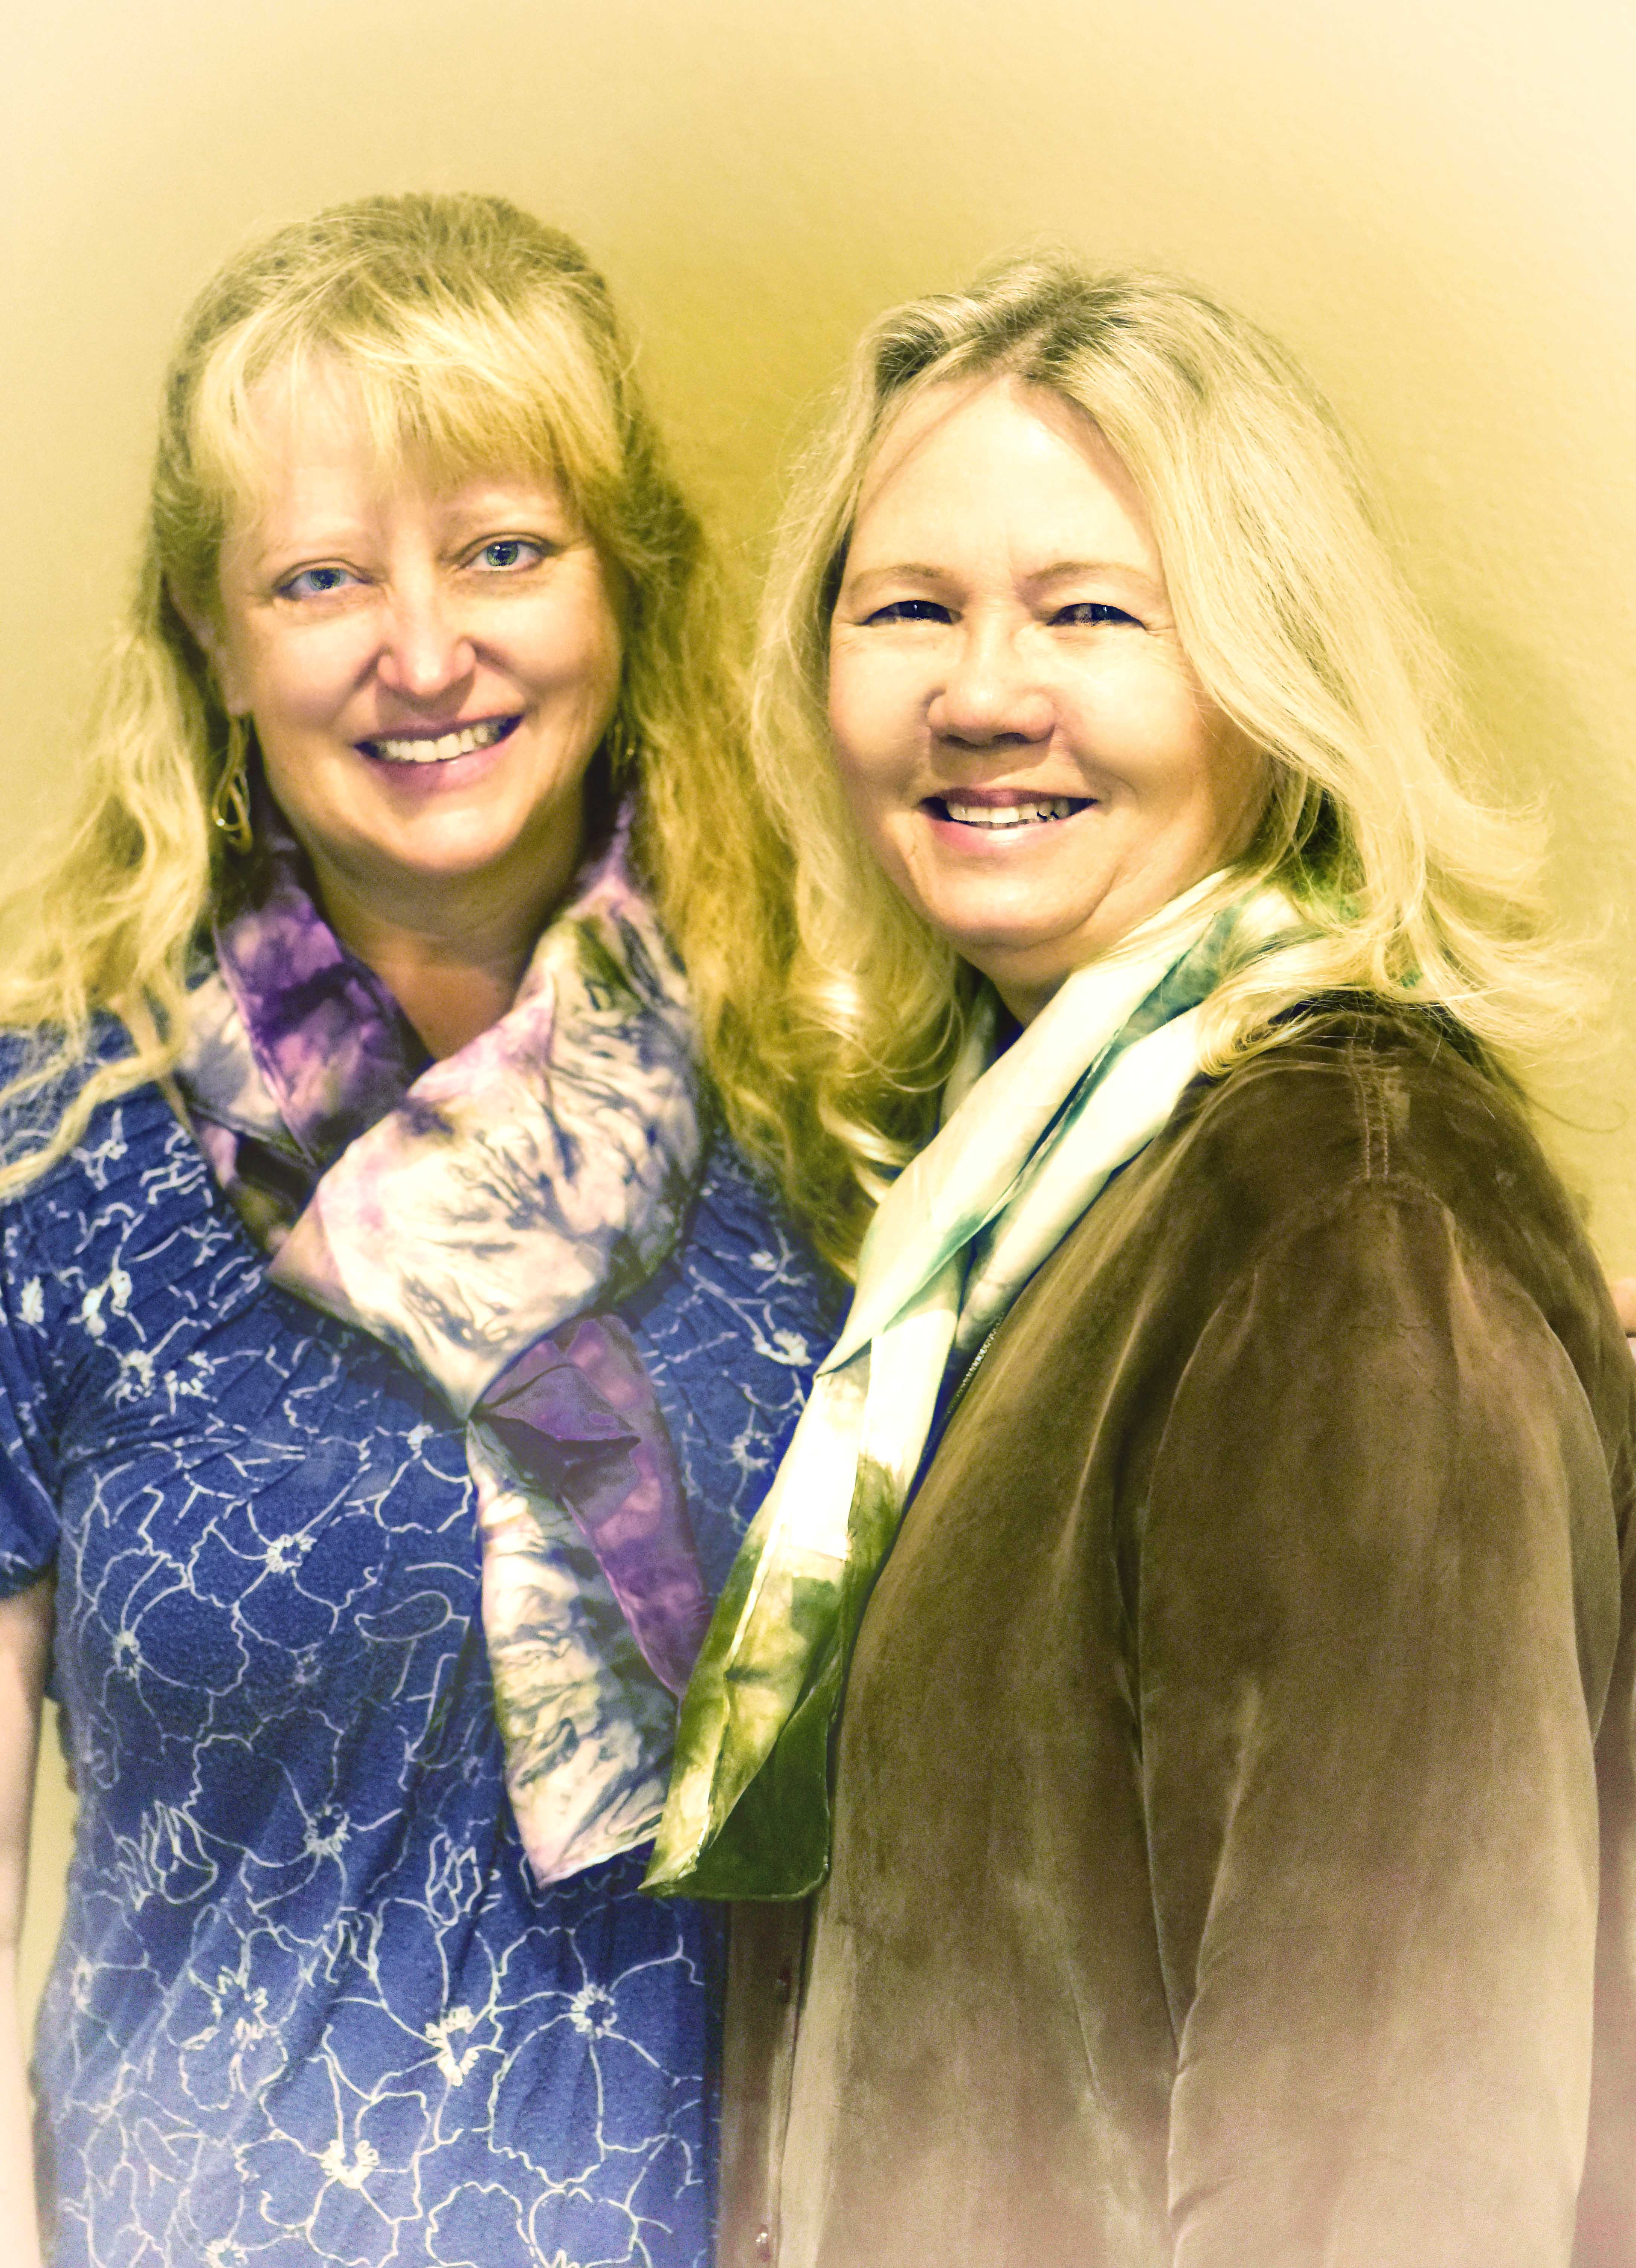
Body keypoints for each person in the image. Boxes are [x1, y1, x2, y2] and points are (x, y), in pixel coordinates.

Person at [644, 262, 1636, 2265]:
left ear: (1271, 678)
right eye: (907, 608)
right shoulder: (1006, 1208)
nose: (982, 693)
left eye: (1091, 612)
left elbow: (1395, 2174)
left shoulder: (1344, 1222)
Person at [0, 193, 836, 2268]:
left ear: (623, 586)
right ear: (210, 637)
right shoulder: (47, 1152)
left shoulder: (834, 1101)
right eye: (321, 576)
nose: (427, 650)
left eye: (501, 549)